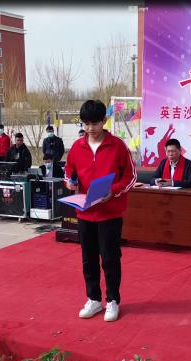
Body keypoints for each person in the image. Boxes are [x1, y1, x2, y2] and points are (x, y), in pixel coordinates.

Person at [65, 100, 137, 322]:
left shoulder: (118, 146)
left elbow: (131, 176)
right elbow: (69, 170)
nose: (90, 129)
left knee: (110, 259)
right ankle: (94, 299)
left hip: (109, 213)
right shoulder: (77, 147)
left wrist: (113, 191)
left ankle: (113, 300)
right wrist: (70, 182)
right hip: (85, 212)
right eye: (86, 124)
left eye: (94, 124)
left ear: (104, 121)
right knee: (88, 260)